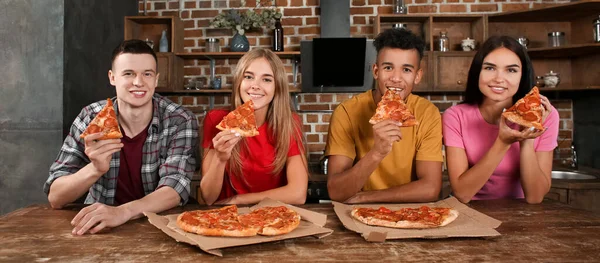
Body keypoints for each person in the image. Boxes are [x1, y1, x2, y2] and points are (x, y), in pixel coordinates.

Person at [44, 39, 199, 235]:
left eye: (147, 74)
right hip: (98, 225)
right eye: (128, 73)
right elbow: (56, 197)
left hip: (161, 225)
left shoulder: (179, 119)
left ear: (156, 79)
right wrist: (95, 168)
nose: (138, 82)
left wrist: (122, 212)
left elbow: (175, 188)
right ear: (112, 77)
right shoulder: (91, 117)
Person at [325, 28, 443, 204]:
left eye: (406, 70)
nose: (396, 78)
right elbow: (336, 191)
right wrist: (377, 153)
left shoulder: (427, 113)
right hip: (357, 215)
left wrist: (367, 197)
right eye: (388, 67)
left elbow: (431, 188)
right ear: (375, 71)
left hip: (410, 213)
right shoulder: (347, 113)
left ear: (417, 76)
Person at [442, 36, 559, 204]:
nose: (498, 78)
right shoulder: (455, 116)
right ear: (477, 72)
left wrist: (526, 135)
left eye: (511, 70)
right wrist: (502, 142)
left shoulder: (546, 115)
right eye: (490, 68)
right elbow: (462, 193)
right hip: (470, 213)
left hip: (521, 215)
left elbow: (535, 197)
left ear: (522, 76)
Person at [199, 48, 308, 205]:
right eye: (249, 77)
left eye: (267, 79)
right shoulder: (216, 120)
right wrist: (220, 158)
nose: (255, 85)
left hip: (272, 217)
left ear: (278, 87)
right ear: (238, 82)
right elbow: (208, 198)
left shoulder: (289, 123)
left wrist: (240, 199)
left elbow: (298, 194)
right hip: (226, 219)